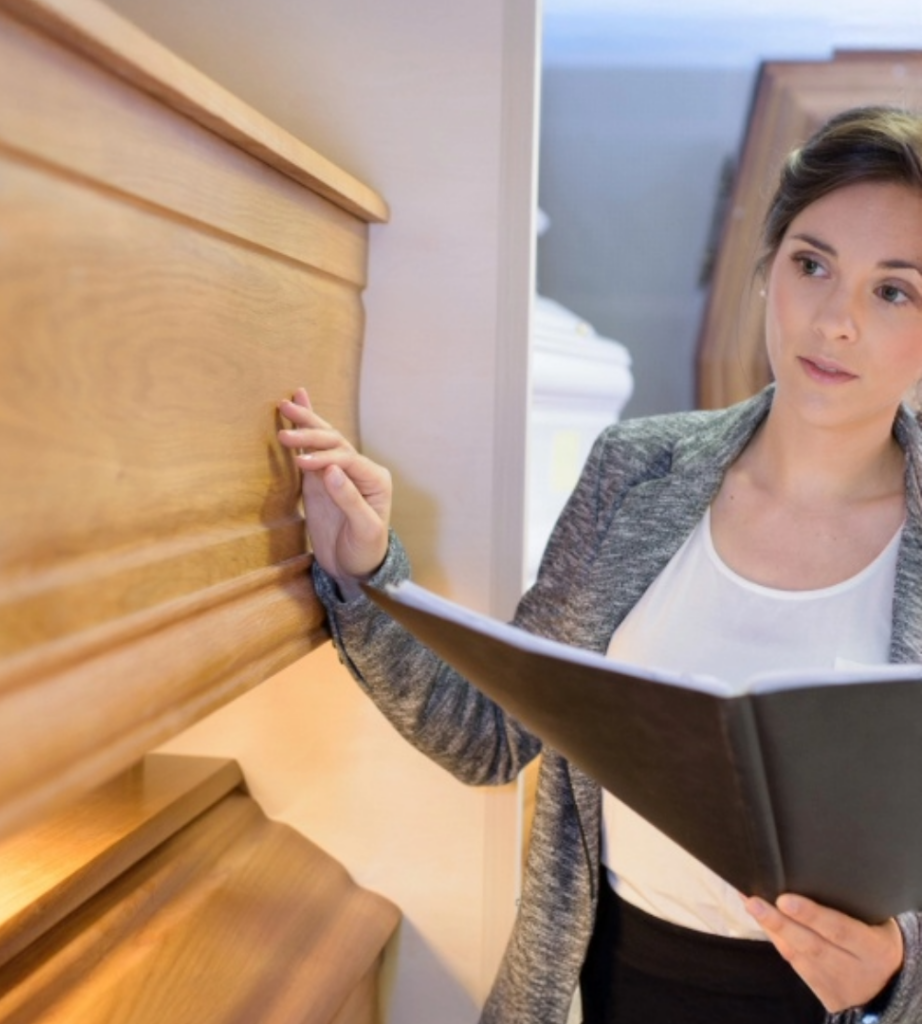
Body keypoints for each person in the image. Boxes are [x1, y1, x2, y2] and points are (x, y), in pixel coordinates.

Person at [277, 105, 922, 1024]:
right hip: (614, 988)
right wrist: (367, 571)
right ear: (768, 271)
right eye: (811, 265)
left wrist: (898, 975)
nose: (836, 321)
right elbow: (494, 736)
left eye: (893, 290)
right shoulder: (633, 471)